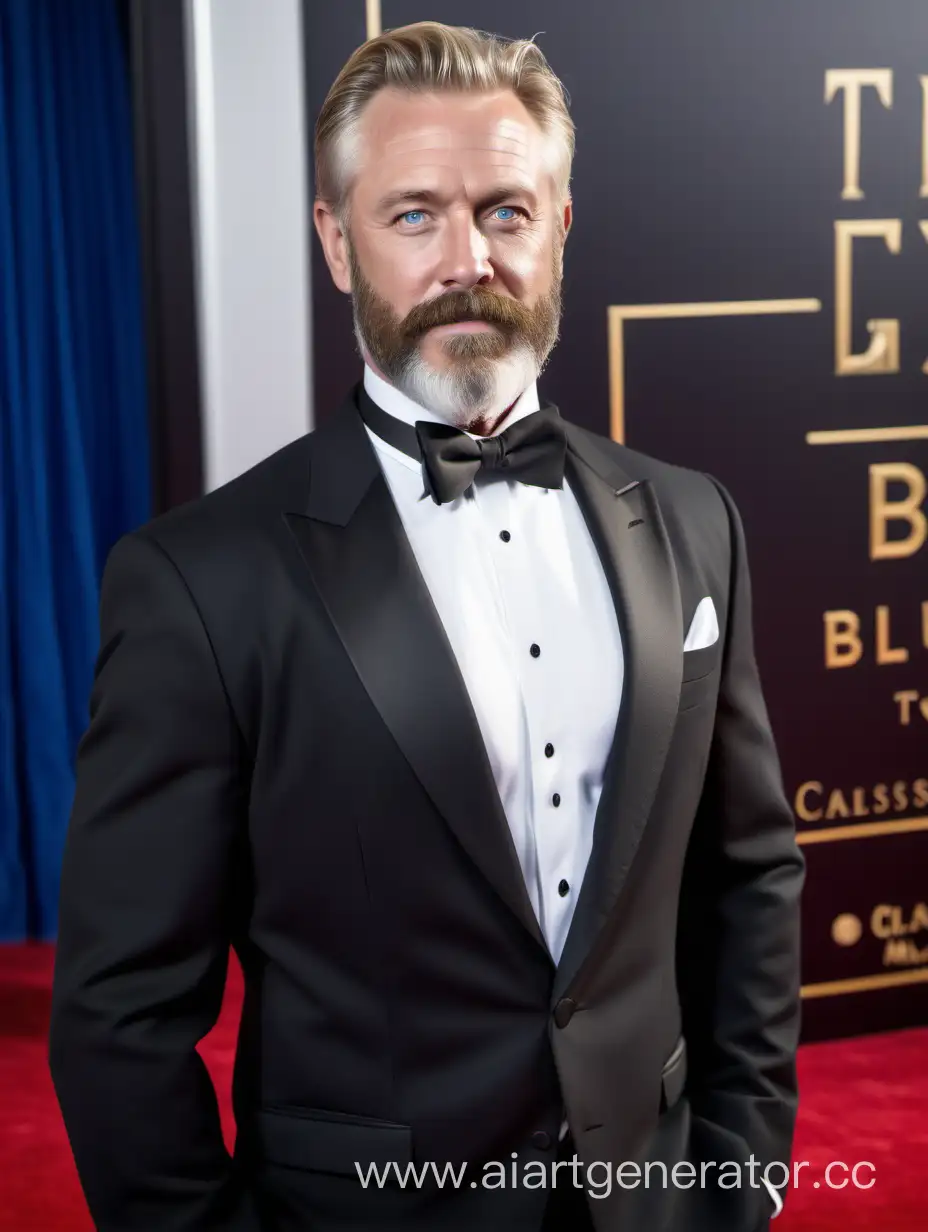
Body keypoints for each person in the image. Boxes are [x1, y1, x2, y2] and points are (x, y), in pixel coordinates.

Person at [48, 21, 805, 1232]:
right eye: (413, 216)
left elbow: (748, 874)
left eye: (506, 209)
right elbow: (119, 1010)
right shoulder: (200, 580)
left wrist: (740, 1167)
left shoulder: (692, 519)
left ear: (559, 225)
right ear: (335, 244)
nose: (468, 259)